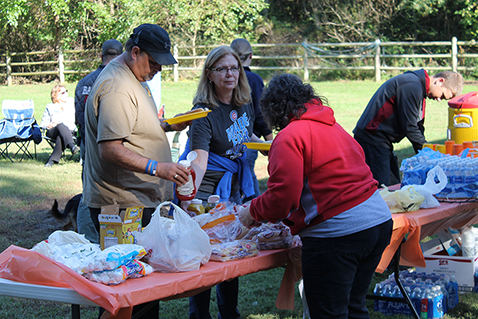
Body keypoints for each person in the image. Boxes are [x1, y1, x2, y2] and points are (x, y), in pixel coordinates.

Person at [237, 73, 393, 319]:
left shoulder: (289, 136)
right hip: (377, 221)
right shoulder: (332, 125)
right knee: (354, 307)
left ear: (272, 110)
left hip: (339, 233)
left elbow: (283, 197)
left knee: (328, 314)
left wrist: (252, 211)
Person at [82, 23, 190, 319]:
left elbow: (132, 130)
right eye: (153, 62)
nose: (157, 69)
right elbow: (110, 148)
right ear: (135, 51)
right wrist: (159, 168)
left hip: (138, 200)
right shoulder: (117, 86)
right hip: (122, 205)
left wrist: (167, 126)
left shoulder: (133, 76)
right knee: (131, 292)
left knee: (144, 289)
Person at [178, 45, 262, 319]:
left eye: (234, 68)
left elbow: (248, 140)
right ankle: (199, 315)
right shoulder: (203, 112)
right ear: (209, 74)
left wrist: (273, 148)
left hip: (233, 186)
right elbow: (199, 160)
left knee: (229, 250)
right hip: (207, 189)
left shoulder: (244, 102)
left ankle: (229, 313)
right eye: (222, 69)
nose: (230, 74)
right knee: (204, 253)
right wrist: (188, 198)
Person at [353, 69, 464, 186]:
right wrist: (426, 153)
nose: (438, 99)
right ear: (440, 81)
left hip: (382, 140)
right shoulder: (412, 86)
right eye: (442, 95)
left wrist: (427, 151)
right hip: (372, 138)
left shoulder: (418, 87)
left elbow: (417, 125)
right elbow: (409, 127)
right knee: (382, 186)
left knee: (393, 183)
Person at [74, 39, 123, 244]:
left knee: (90, 191)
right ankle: (112, 237)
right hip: (116, 145)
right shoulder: (120, 81)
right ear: (122, 56)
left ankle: (89, 237)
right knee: (115, 192)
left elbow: (79, 118)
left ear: (101, 56)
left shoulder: (85, 82)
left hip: (89, 143)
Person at [230, 38, 273, 198]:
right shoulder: (254, 79)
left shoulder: (225, 77)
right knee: (247, 181)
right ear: (251, 55)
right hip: (249, 142)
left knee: (239, 181)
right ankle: (254, 213)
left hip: (230, 140)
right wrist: (269, 141)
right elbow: (260, 113)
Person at [40, 84, 78, 167]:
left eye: (66, 91)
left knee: (60, 137)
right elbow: (43, 123)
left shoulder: (72, 103)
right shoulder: (50, 107)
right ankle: (71, 145)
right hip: (53, 131)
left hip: (69, 131)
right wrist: (49, 125)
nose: (66, 94)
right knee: (60, 125)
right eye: (63, 93)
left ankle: (52, 161)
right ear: (56, 95)